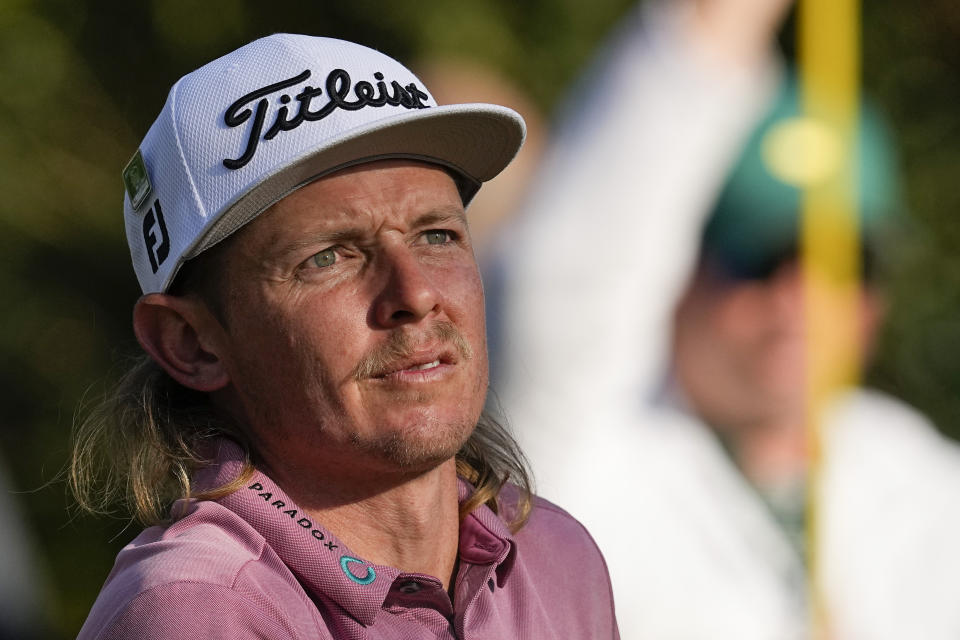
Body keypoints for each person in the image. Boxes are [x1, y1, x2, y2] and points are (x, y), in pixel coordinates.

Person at [71, 34, 618, 639]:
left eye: (436, 235)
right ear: (190, 343)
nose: (414, 294)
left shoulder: (553, 556)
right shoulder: (201, 610)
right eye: (328, 257)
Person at [493, 1, 960, 638]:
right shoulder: (575, 455)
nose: (800, 297)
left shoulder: (925, 484)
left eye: (845, 262)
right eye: (759, 257)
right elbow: (576, 268)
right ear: (674, 269)